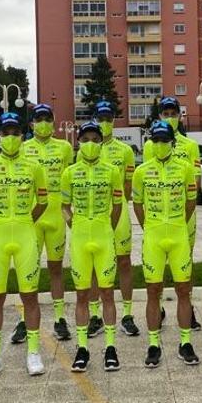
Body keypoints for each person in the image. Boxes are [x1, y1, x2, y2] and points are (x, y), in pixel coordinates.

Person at [0, 112, 48, 379]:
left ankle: (33, 351)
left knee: (30, 296)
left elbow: (42, 202)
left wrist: (26, 221)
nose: (11, 137)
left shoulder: (34, 167)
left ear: (22, 135)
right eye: (6, 132)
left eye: (16, 132)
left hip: (26, 235)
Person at [133, 120, 199, 367]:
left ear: (173, 141)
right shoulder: (142, 171)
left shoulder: (184, 168)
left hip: (179, 234)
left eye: (165, 140)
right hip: (154, 237)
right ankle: (153, 343)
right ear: (151, 142)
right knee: (153, 290)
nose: (160, 144)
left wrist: (180, 222)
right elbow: (137, 203)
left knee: (183, 290)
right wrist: (147, 226)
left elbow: (191, 200)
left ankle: (185, 342)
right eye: (156, 140)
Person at [60, 121, 124, 372]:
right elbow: (64, 205)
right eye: (85, 139)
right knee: (82, 295)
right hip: (80, 239)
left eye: (94, 139)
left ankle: (110, 347)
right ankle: (83, 348)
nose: (89, 143)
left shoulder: (111, 171)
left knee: (107, 293)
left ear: (101, 142)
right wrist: (72, 223)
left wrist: (107, 225)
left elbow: (118, 205)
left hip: (103, 236)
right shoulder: (69, 172)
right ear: (79, 142)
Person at [12, 103, 74, 343]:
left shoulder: (65, 147)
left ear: (54, 121)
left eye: (48, 118)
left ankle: (60, 318)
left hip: (57, 215)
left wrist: (70, 218)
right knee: (29, 269)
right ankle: (24, 319)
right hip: (32, 216)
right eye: (39, 119)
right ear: (31, 124)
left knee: (56, 269)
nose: (44, 123)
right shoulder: (23, 148)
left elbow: (70, 181)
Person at [143, 96, 202, 330]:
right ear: (159, 116)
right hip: (158, 216)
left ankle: (189, 309)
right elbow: (149, 178)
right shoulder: (151, 145)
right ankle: (157, 307)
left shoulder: (190, 146)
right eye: (165, 113)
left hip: (184, 217)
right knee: (156, 268)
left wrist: (182, 216)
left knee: (185, 265)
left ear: (180, 115)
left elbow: (195, 184)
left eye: (173, 113)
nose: (170, 117)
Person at [91, 101, 140, 337]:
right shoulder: (85, 148)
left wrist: (120, 202)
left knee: (123, 262)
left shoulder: (125, 150)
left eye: (108, 118)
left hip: (119, 211)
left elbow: (129, 183)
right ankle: (94, 316)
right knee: (92, 264)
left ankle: (128, 314)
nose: (104, 123)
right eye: (100, 118)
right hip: (94, 215)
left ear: (114, 120)